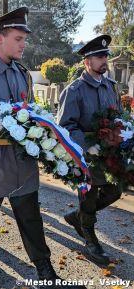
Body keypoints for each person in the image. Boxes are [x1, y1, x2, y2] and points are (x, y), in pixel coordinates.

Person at [0, 7, 86, 289]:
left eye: (24, 39)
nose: (24, 44)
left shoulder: (21, 74)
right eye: (19, 39)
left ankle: (46, 274)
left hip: (22, 163)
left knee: (32, 221)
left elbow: (29, 113)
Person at [57, 35, 121, 266]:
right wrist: (87, 144)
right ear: (87, 61)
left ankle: (77, 218)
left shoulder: (111, 87)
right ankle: (90, 238)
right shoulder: (75, 90)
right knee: (89, 195)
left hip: (110, 155)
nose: (105, 60)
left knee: (114, 191)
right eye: (100, 56)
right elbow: (64, 126)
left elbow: (119, 117)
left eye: (106, 56)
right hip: (85, 156)